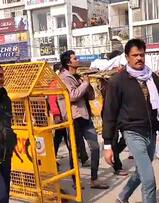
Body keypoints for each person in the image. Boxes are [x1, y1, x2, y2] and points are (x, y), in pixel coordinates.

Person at [102, 39, 159, 203]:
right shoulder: (117, 81)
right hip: (132, 132)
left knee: (141, 171)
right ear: (127, 57)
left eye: (142, 54)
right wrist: (107, 145)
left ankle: (122, 196)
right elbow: (109, 113)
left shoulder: (152, 77)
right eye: (135, 55)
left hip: (151, 132)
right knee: (149, 179)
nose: (139, 58)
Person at [59, 50, 109, 189]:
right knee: (74, 152)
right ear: (69, 62)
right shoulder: (64, 77)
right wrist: (85, 83)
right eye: (75, 58)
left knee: (94, 147)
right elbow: (73, 96)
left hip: (85, 117)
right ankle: (76, 182)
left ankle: (94, 179)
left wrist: (88, 82)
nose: (78, 60)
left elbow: (91, 96)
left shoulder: (78, 76)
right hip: (73, 118)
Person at [0, 66, 17, 203]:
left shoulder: (5, 97)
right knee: (2, 196)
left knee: (6, 192)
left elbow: (8, 122)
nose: (1, 78)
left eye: (1, 75)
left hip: (5, 151)